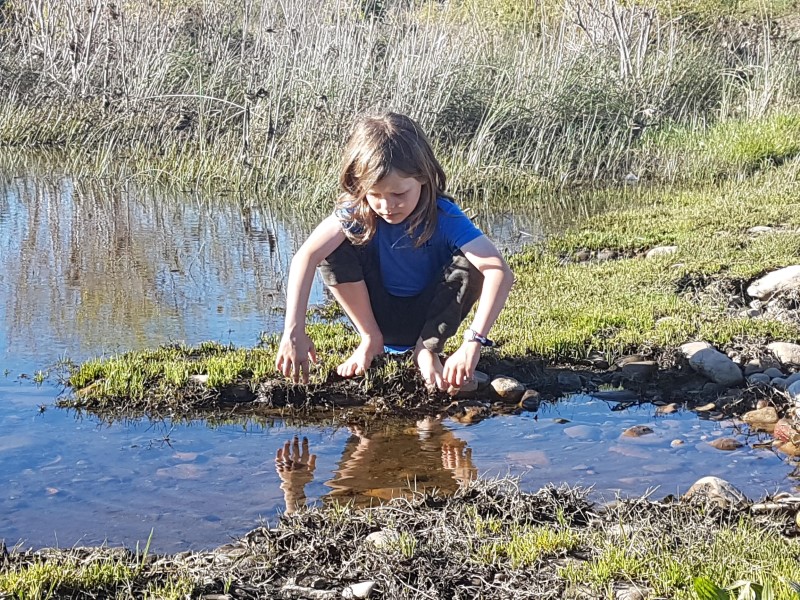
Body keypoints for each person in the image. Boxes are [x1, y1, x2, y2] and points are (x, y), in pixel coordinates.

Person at [275, 111, 514, 391]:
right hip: (376, 314)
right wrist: (293, 332)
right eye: (374, 195)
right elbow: (306, 256)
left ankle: (426, 349)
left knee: (477, 262)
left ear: (424, 178)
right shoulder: (355, 213)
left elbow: (500, 271)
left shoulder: (445, 217)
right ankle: (370, 340)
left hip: (430, 317)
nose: (387, 206)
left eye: (399, 194)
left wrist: (473, 342)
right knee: (331, 248)